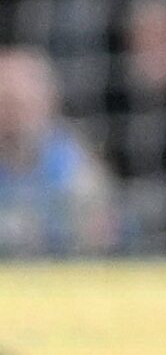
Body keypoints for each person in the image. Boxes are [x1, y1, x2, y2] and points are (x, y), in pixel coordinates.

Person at [0, 46, 115, 255]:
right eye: (5, 102)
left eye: (18, 103)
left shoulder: (74, 163)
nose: (11, 115)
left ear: (49, 100)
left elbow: (99, 233)